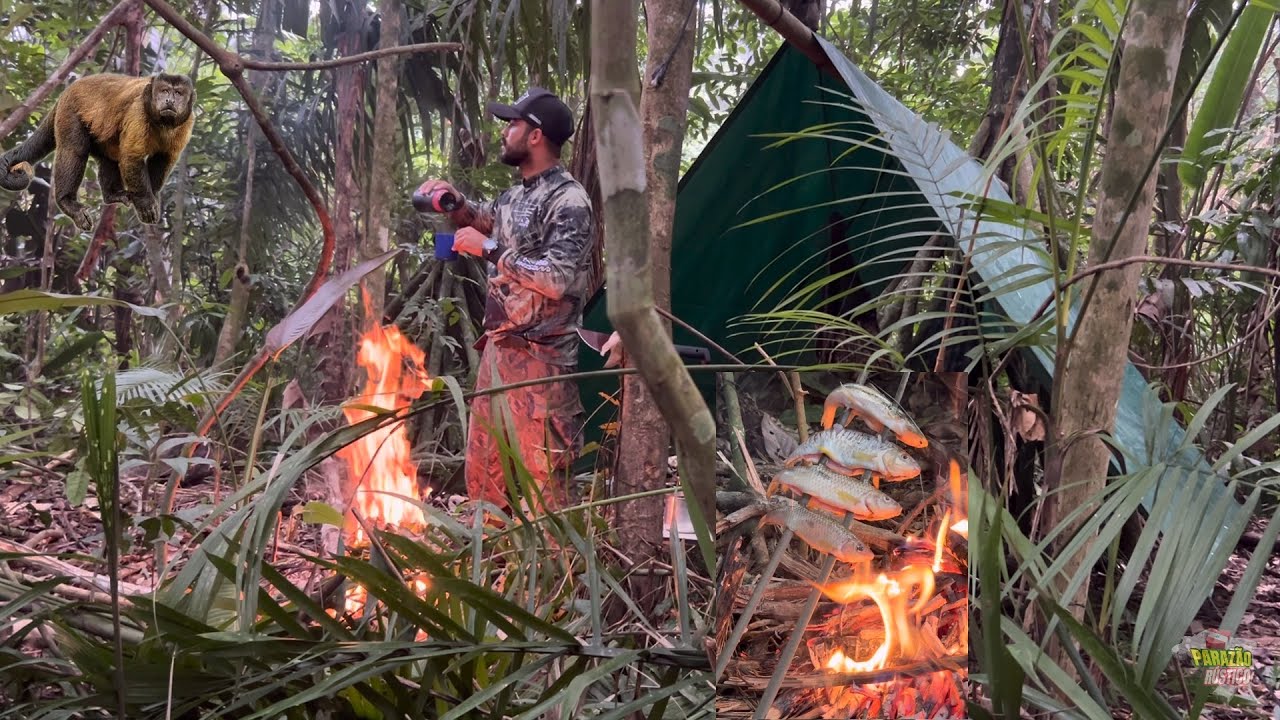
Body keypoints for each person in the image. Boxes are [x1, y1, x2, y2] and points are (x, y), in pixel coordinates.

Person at [417, 87, 620, 518]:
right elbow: (486, 220)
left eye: (513, 124)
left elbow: (556, 278)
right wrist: (454, 203)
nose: (505, 132)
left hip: (542, 361)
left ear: (535, 136)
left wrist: (490, 250)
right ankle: (487, 563)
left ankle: (556, 577)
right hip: (498, 353)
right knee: (485, 469)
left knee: (547, 483)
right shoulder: (515, 196)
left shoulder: (569, 201)